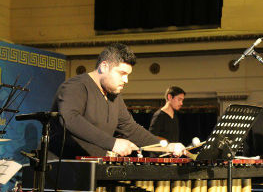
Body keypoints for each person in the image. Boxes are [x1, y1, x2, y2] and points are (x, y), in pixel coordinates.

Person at [49, 43, 185, 159]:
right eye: (122, 73)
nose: (126, 80)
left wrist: (166, 147)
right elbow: (70, 119)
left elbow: (131, 129)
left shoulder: (115, 97)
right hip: (60, 169)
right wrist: (113, 143)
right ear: (104, 67)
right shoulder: (75, 86)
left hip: (89, 170)